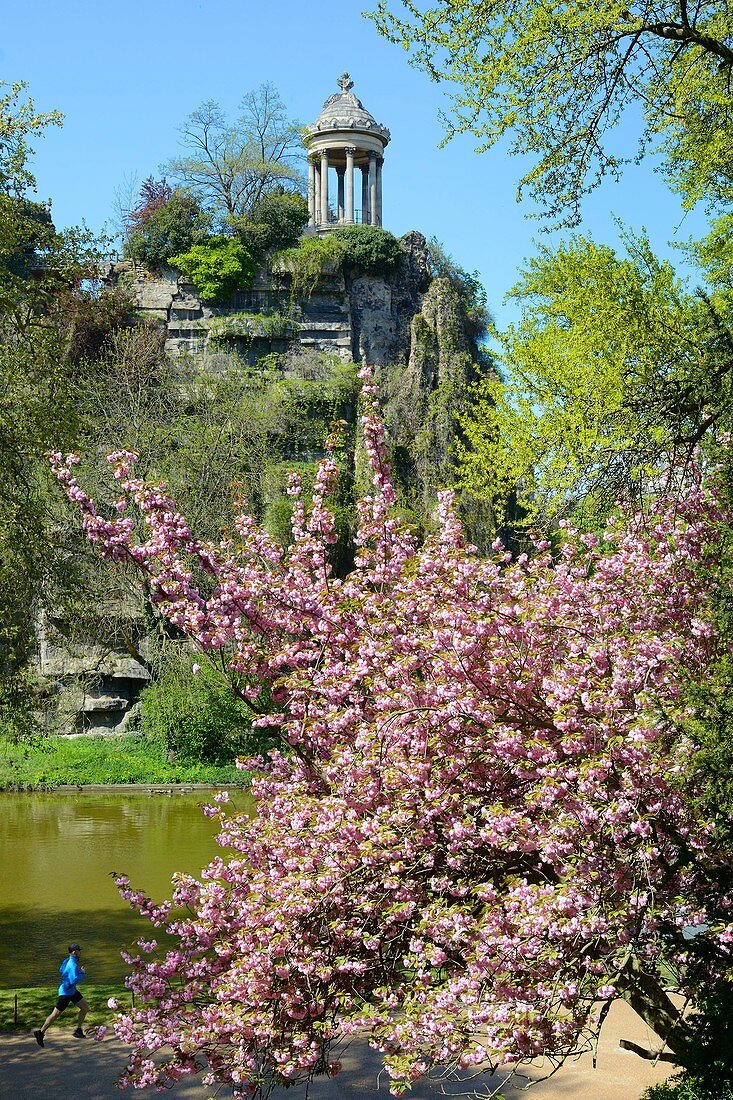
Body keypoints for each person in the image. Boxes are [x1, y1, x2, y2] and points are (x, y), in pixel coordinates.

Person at [34, 943, 89, 1047]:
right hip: (65, 994)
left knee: (85, 1008)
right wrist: (82, 973)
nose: (80, 952)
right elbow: (73, 980)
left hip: (71, 991)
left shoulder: (67, 960)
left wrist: (70, 975)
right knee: (55, 1015)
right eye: (79, 951)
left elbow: (61, 970)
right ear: (74, 952)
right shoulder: (72, 964)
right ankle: (40, 1033)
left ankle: (78, 1030)